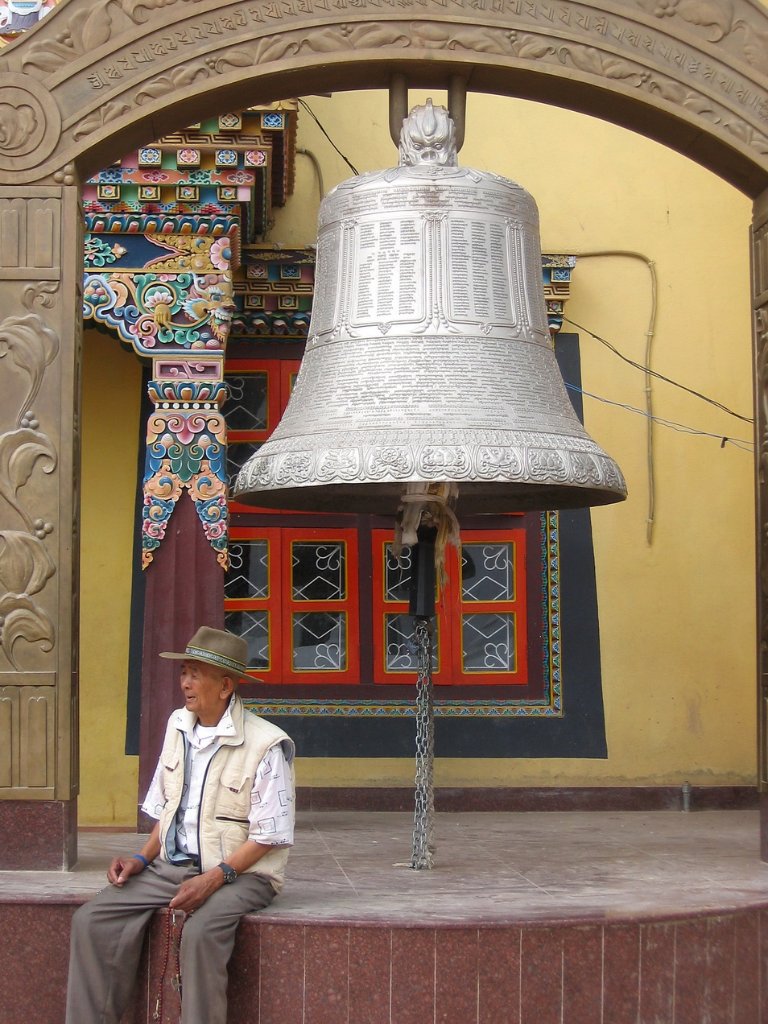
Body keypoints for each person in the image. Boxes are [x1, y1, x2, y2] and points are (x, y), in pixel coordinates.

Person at [65, 626, 296, 1024]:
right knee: (91, 920)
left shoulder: (266, 744)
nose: (185, 683)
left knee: (201, 934)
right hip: (173, 868)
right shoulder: (178, 725)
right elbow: (168, 807)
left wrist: (213, 879)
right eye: (184, 672)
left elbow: (268, 835)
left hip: (242, 875)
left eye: (195, 674)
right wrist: (141, 858)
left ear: (225, 686)